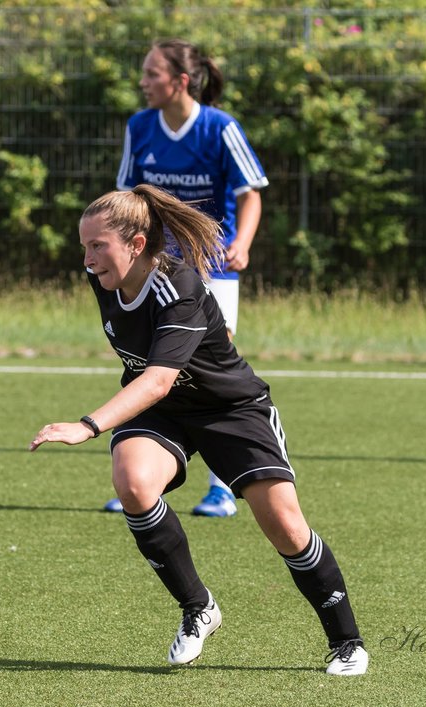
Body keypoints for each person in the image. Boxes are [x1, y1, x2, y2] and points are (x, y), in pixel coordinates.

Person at [30, 185, 367, 677]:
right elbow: (155, 385)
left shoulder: (178, 285)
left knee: (286, 527)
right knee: (133, 482)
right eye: (84, 246)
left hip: (230, 408)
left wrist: (88, 426)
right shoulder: (102, 278)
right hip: (165, 412)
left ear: (137, 245)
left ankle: (347, 641)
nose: (87, 258)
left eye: (97, 245)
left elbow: (160, 378)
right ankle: (199, 608)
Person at [108, 38, 268, 518]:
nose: (143, 83)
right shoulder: (140, 127)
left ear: (180, 81)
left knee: (211, 371)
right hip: (155, 269)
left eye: (151, 74)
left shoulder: (220, 128)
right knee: (148, 365)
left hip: (213, 269)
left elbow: (251, 191)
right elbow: (125, 199)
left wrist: (243, 244)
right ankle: (143, 477)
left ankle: (222, 487)